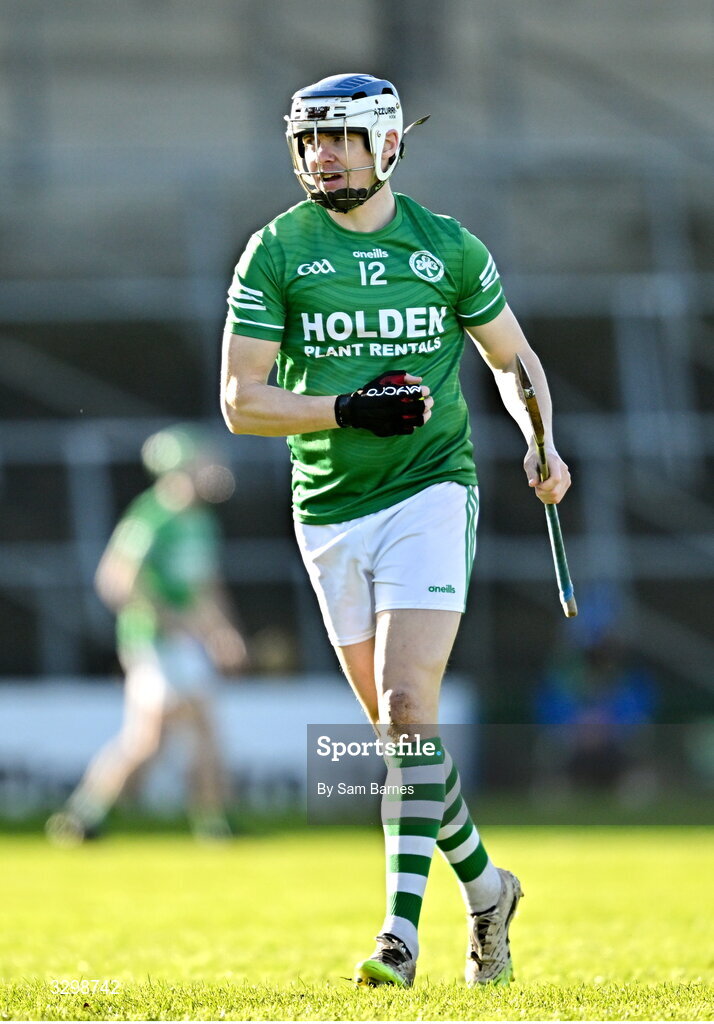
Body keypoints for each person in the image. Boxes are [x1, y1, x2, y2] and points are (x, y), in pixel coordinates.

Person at [220, 73, 571, 987]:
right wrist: (347, 410)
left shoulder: (447, 247)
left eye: (339, 138)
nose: (321, 157)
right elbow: (240, 402)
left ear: (387, 146)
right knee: (396, 741)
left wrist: (543, 440)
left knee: (412, 711)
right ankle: (490, 887)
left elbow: (512, 356)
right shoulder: (275, 251)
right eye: (308, 142)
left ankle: (397, 937)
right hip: (331, 508)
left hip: (432, 488)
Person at [46, 425, 247, 844]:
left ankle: (209, 825)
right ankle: (87, 816)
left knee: (177, 734)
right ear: (180, 467)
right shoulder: (153, 515)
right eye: (203, 461)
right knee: (153, 740)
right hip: (154, 643)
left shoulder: (201, 522)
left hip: (184, 643)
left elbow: (207, 586)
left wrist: (224, 631)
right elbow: (117, 578)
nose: (212, 469)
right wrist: (172, 619)